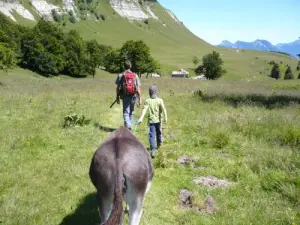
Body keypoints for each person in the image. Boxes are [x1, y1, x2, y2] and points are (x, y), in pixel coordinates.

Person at [137, 85, 167, 158]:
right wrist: (166, 118)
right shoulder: (160, 100)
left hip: (151, 122)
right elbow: (164, 109)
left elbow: (144, 110)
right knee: (159, 133)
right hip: (159, 121)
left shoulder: (148, 101)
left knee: (151, 135)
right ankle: (159, 145)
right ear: (156, 92)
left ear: (149, 93)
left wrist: (141, 118)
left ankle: (153, 149)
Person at [115, 60, 142, 130]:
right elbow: (138, 88)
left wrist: (117, 96)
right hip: (133, 95)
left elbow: (117, 88)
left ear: (124, 66)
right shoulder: (135, 75)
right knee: (131, 112)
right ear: (130, 66)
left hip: (125, 95)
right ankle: (128, 127)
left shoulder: (121, 75)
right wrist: (140, 98)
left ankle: (128, 126)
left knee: (126, 112)